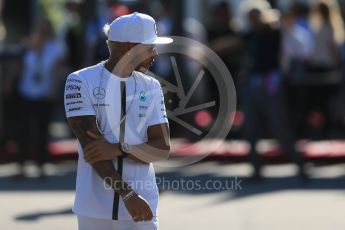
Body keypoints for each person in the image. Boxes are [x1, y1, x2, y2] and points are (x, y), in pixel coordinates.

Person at [64, 12, 172, 230]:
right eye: (150, 47)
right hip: (95, 210)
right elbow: (92, 150)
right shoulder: (79, 81)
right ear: (129, 47)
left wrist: (119, 148)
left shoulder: (151, 87)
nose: (155, 54)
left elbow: (161, 148)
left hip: (143, 207)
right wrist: (128, 194)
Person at [242, 8, 306, 180]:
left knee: (280, 126)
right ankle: (256, 168)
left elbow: (284, 29)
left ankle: (299, 164)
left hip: (272, 84)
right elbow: (236, 42)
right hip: (254, 84)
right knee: (251, 128)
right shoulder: (251, 36)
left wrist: (271, 19)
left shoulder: (274, 33)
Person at [17, 19, 65, 177]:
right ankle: (22, 165)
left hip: (44, 94)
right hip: (27, 92)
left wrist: (53, 90)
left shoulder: (55, 49)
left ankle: (41, 164)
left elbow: (57, 72)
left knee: (42, 130)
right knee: (23, 129)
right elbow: (21, 67)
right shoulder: (29, 47)